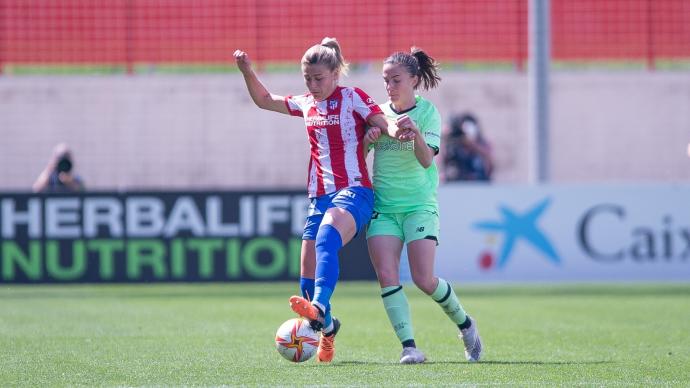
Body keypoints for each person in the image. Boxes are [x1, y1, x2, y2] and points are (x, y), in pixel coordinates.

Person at [233, 38, 408, 363]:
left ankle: (321, 309)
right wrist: (247, 70)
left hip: (356, 191)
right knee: (306, 280)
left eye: (318, 79)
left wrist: (399, 133)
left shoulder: (353, 97)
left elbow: (384, 122)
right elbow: (264, 99)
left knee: (327, 239)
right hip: (319, 197)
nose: (313, 85)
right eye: (307, 79)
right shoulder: (306, 103)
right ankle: (327, 328)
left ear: (335, 74)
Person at [363, 48, 483, 364]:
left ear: (414, 80)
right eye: (386, 80)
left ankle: (466, 325)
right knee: (388, 276)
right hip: (384, 209)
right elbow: (358, 161)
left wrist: (415, 133)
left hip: (419, 206)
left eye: (396, 79)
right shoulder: (376, 112)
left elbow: (426, 159)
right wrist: (367, 140)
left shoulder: (428, 113)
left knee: (424, 279)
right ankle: (409, 347)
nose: (389, 85)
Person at [443, 113, 493, 181]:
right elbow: (441, 165)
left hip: (479, 183)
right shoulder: (455, 145)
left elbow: (490, 163)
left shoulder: (482, 143)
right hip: (458, 184)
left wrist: (472, 145)